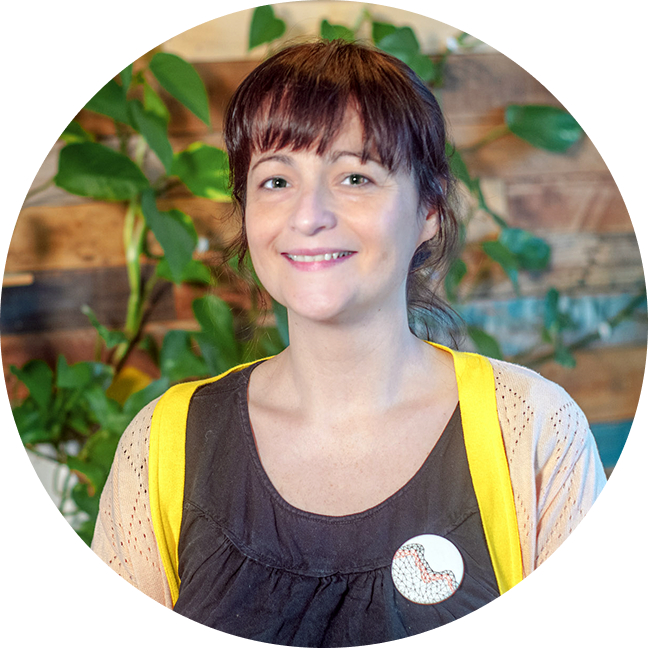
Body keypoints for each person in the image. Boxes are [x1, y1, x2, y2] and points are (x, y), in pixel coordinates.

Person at [92, 39, 606, 646]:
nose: (309, 215)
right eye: (276, 180)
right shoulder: (162, 446)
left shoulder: (534, 431)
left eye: (356, 176)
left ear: (430, 209)